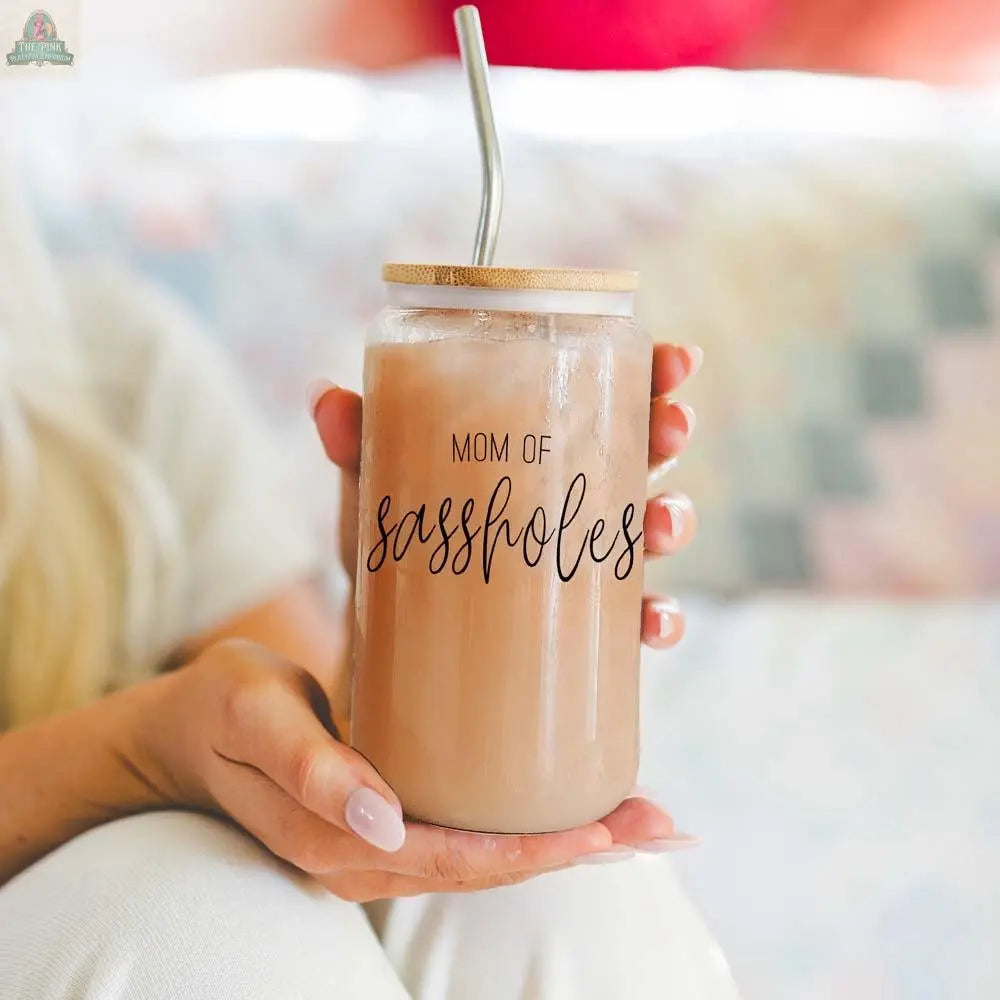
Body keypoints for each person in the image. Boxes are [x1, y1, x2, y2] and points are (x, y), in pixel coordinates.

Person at [0, 157, 738, 998]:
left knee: (555, 896)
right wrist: (132, 752)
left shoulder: (108, 361)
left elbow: (327, 787)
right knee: (193, 920)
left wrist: (401, 641)